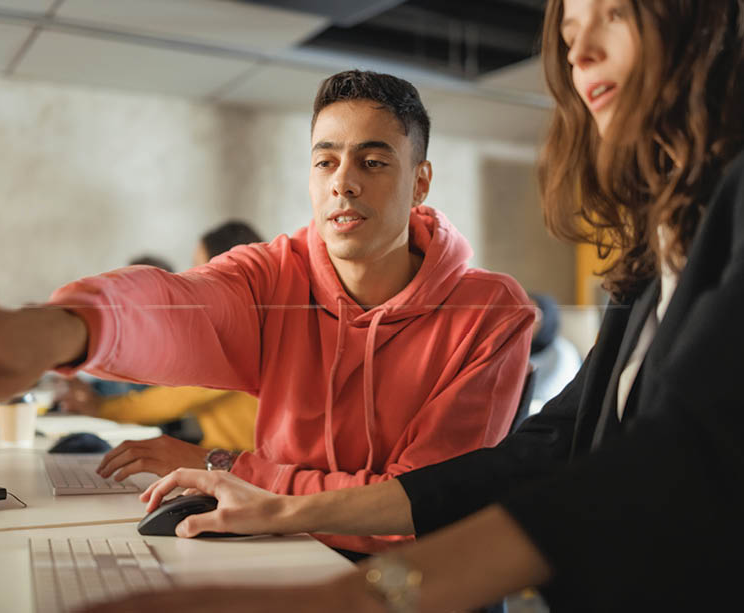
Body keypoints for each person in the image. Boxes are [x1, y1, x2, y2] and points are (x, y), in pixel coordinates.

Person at [58, 0, 742, 610]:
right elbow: (534, 457)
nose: (577, 52)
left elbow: (674, 457)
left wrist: (354, 588)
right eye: (567, 30)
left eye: (614, 15)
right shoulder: (655, 255)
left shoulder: (496, 308)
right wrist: (278, 506)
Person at [0, 70, 534, 556]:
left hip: (416, 582)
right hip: (290, 552)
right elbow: (180, 306)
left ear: (421, 181)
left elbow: (414, 506)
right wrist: (60, 328)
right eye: (325, 161)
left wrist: (229, 470)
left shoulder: (491, 313)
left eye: (373, 162)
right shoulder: (275, 272)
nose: (344, 182)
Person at [60, 223, 263, 451]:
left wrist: (101, 408)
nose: (191, 275)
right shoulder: (245, 324)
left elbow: (173, 399)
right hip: (221, 453)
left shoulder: (242, 332)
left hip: (238, 460)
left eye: (200, 266)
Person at [528, 293, 582, 409]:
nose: (526, 320)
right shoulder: (515, 351)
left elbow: (545, 397)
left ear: (547, 317)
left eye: (534, 314)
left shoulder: (563, 353)